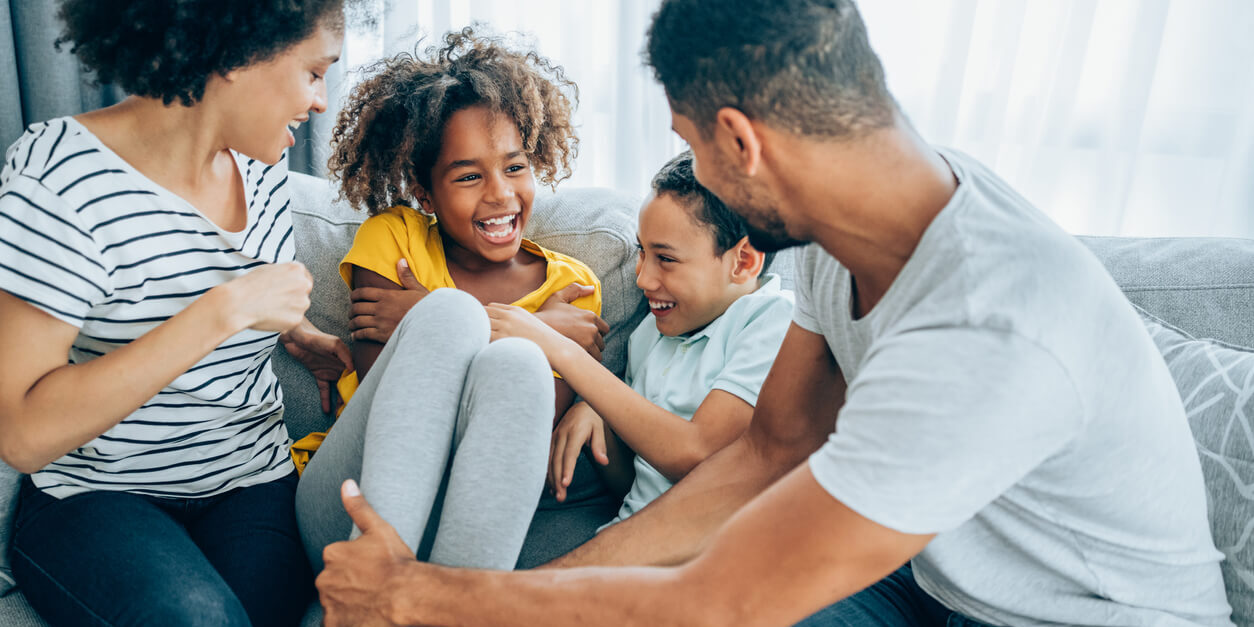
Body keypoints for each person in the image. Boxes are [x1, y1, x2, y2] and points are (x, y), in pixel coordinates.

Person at [312, 1, 1235, 626]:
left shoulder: (987, 324)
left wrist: (427, 598)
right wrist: (530, 585)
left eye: (688, 146)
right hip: (934, 589)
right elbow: (766, 453)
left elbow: (718, 599)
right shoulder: (850, 237)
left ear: (741, 143)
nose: (691, 177)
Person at [0, 1, 354, 625]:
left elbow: (183, 278)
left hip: (250, 480)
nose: (320, 100)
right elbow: (24, 433)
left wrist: (295, 333)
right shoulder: (59, 175)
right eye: (313, 72)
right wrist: (224, 310)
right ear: (241, 54)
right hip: (93, 496)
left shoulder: (263, 166)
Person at [293, 28, 607, 575]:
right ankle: (376, 574)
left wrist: (428, 315)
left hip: (476, 516)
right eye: (468, 176)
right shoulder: (395, 239)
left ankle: (449, 604)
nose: (501, 195)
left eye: (515, 167)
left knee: (514, 359)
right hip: (352, 498)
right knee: (461, 318)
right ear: (424, 189)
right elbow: (392, 399)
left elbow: (512, 441)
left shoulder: (571, 286)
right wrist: (530, 328)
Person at [488, 150, 792, 530]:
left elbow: (697, 457)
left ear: (743, 262)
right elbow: (635, 486)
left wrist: (563, 354)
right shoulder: (652, 333)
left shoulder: (772, 321)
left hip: (707, 553)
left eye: (665, 259)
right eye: (641, 252)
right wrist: (603, 421)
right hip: (629, 537)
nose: (643, 279)